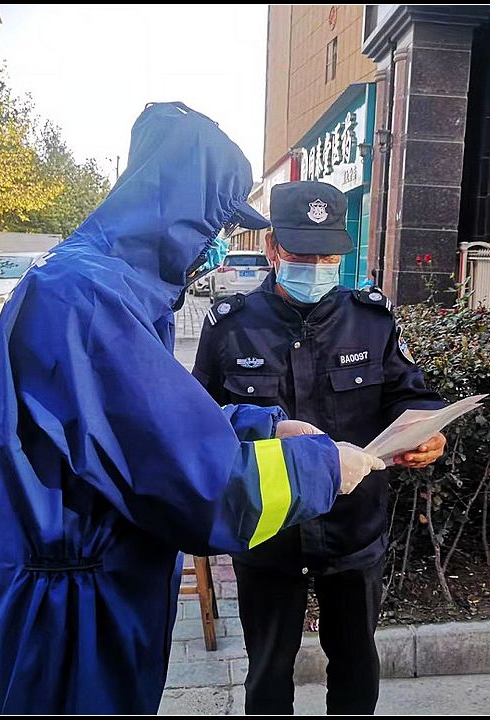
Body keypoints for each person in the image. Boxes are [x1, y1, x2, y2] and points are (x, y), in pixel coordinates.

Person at [0, 104, 385, 715]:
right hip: (66, 627)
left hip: (90, 593)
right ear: (181, 214)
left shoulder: (110, 288)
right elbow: (192, 484)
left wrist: (265, 425)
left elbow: (152, 422)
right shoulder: (87, 299)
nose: (216, 247)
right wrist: (321, 467)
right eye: (215, 225)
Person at [192, 180, 448, 715]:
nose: (315, 267)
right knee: (268, 671)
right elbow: (198, 423)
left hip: (354, 530)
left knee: (356, 663)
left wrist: (430, 434)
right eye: (302, 254)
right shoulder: (231, 326)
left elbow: (411, 395)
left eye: (328, 256)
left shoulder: (370, 320)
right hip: (268, 532)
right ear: (272, 248)